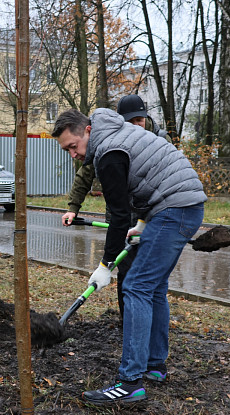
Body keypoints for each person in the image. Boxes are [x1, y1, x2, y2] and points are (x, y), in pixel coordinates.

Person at [52, 108, 206, 406]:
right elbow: (151, 178)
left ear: (87, 131)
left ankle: (130, 382)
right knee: (153, 288)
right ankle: (154, 366)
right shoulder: (118, 133)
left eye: (73, 146)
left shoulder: (108, 153)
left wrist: (105, 265)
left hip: (175, 209)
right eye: (66, 150)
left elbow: (119, 217)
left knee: (135, 287)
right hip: (182, 206)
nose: (73, 154)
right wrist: (144, 224)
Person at [61, 94, 173, 322]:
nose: (134, 126)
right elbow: (85, 173)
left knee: (152, 276)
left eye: (138, 121)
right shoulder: (110, 142)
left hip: (153, 215)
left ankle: (149, 328)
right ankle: (128, 322)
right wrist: (73, 207)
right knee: (127, 271)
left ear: (145, 118)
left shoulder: (159, 139)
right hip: (122, 214)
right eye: (129, 122)